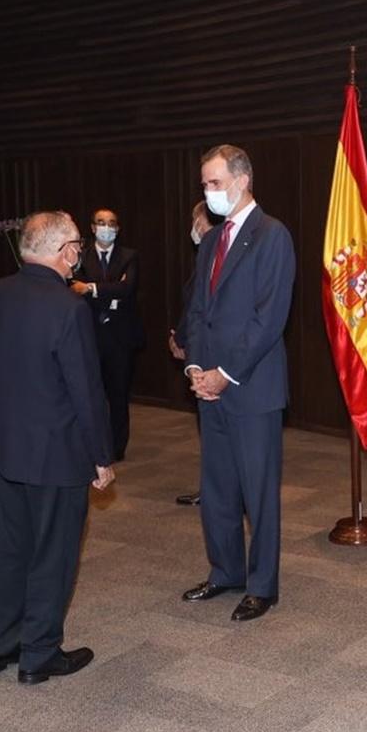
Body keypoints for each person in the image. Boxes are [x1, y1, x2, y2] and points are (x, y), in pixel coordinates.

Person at [0, 210, 116, 685]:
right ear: (61, 251)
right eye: (78, 244)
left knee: (11, 549)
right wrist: (101, 456)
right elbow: (85, 390)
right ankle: (38, 654)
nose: (80, 252)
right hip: (56, 453)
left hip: (6, 447)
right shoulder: (68, 307)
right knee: (54, 553)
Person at [181, 144, 295, 623]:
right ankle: (225, 570)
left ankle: (262, 585)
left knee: (258, 491)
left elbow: (268, 320)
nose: (209, 193)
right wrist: (195, 368)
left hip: (251, 388)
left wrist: (224, 376)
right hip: (209, 385)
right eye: (204, 185)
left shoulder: (272, 236)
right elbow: (197, 310)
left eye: (215, 183)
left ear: (242, 180)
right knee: (220, 486)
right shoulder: (211, 240)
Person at [70, 208, 144, 461]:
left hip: (121, 338)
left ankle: (116, 448)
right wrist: (110, 293)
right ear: (92, 227)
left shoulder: (129, 256)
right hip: (89, 335)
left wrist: (90, 288)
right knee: (92, 394)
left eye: (112, 223)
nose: (106, 227)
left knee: (119, 395)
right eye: (101, 223)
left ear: (118, 229)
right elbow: (73, 286)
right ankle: (93, 444)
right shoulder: (81, 255)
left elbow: (127, 288)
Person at [171, 201, 213, 507]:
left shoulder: (213, 257)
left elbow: (200, 307)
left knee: (214, 429)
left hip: (210, 356)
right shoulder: (206, 255)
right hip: (198, 349)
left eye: (196, 222)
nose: (193, 229)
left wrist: (181, 337)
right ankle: (214, 488)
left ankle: (216, 491)